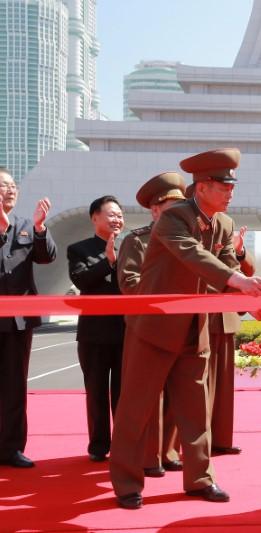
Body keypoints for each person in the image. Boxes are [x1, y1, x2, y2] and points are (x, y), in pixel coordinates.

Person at [109, 148, 261, 510]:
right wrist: (235, 279)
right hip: (153, 328)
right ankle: (126, 482)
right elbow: (193, 255)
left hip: (194, 328)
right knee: (136, 408)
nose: (231, 192)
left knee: (196, 410)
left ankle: (199, 479)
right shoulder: (173, 218)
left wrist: (252, 295)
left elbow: (227, 268)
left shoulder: (225, 224)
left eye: (232, 185)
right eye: (223, 186)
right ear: (201, 188)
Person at [117, 172, 187, 476]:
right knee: (148, 396)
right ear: (155, 209)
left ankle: (170, 451)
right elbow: (129, 282)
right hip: (147, 326)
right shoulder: (135, 241)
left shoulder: (186, 240)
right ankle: (148, 456)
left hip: (182, 325)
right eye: (170, 209)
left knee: (177, 395)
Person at [182, 183, 255, 456]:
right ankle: (197, 444)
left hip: (224, 316)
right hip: (200, 315)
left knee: (223, 385)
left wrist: (239, 252)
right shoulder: (183, 226)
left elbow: (238, 269)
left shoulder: (225, 223)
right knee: (200, 385)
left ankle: (222, 439)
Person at [0, 167, 56, 468]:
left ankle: (10, 449)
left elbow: (48, 256)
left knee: (14, 386)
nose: (10, 189)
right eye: (3, 185)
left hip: (18, 321)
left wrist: (39, 227)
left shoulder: (25, 225)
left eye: (12, 185)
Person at [67, 196, 126, 463]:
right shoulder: (79, 249)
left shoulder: (131, 248)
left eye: (119, 215)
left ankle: (126, 444)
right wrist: (108, 260)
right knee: (96, 391)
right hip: (93, 334)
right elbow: (81, 280)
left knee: (124, 393)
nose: (117, 219)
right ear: (95, 218)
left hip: (127, 332)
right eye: (111, 214)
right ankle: (99, 446)